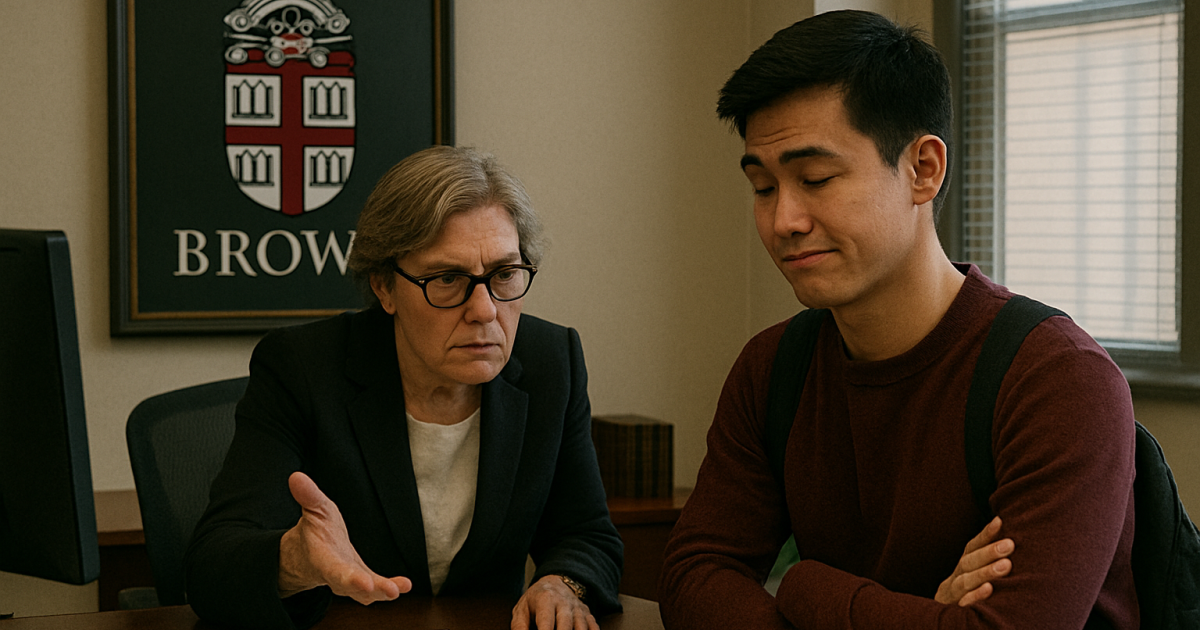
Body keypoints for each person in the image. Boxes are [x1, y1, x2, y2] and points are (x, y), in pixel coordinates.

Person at [658, 10, 1137, 629]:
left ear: (923, 169)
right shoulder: (773, 368)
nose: (783, 221)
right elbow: (693, 575)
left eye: (815, 178)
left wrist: (807, 589)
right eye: (764, 188)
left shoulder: (1057, 380)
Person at [185, 146, 623, 630]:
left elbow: (587, 535)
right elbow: (212, 565)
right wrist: (296, 561)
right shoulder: (303, 368)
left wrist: (562, 583)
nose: (484, 310)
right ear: (384, 287)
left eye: (504, 274)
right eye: (448, 279)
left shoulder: (551, 362)